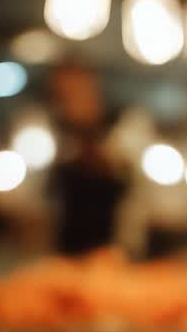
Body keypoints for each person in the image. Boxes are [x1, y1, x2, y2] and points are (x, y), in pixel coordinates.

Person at [45, 61, 128, 255]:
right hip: (59, 255)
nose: (70, 102)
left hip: (117, 253)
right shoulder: (47, 136)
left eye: (77, 91)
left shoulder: (122, 130)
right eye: (61, 95)